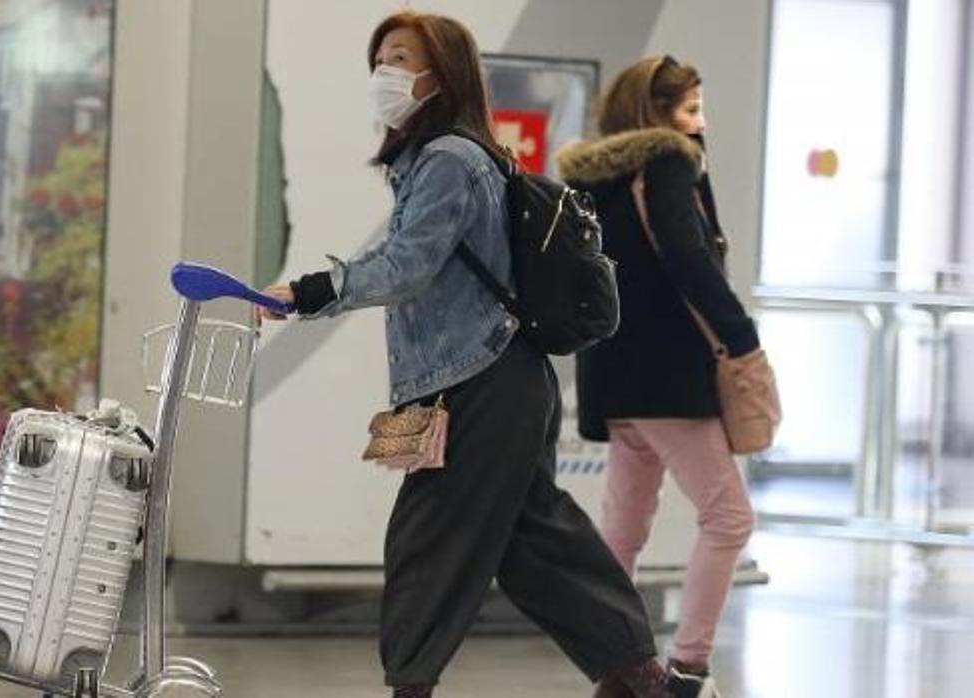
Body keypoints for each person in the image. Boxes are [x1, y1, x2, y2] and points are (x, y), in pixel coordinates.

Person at [255, 14, 716, 698]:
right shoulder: (434, 159)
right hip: (492, 379)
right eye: (378, 59)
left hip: (480, 381)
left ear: (440, 73)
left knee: (428, 539)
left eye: (400, 57)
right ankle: (644, 680)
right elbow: (406, 259)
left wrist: (312, 290)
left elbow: (407, 265)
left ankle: (410, 687)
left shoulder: (449, 158)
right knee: (534, 545)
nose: (384, 73)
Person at [555, 55, 758, 695]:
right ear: (658, 115)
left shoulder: (593, 179)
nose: (701, 122)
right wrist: (741, 336)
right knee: (729, 518)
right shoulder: (668, 162)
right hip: (669, 375)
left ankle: (618, 668)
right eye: (691, 109)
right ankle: (688, 669)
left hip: (613, 377)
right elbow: (688, 258)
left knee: (624, 529)